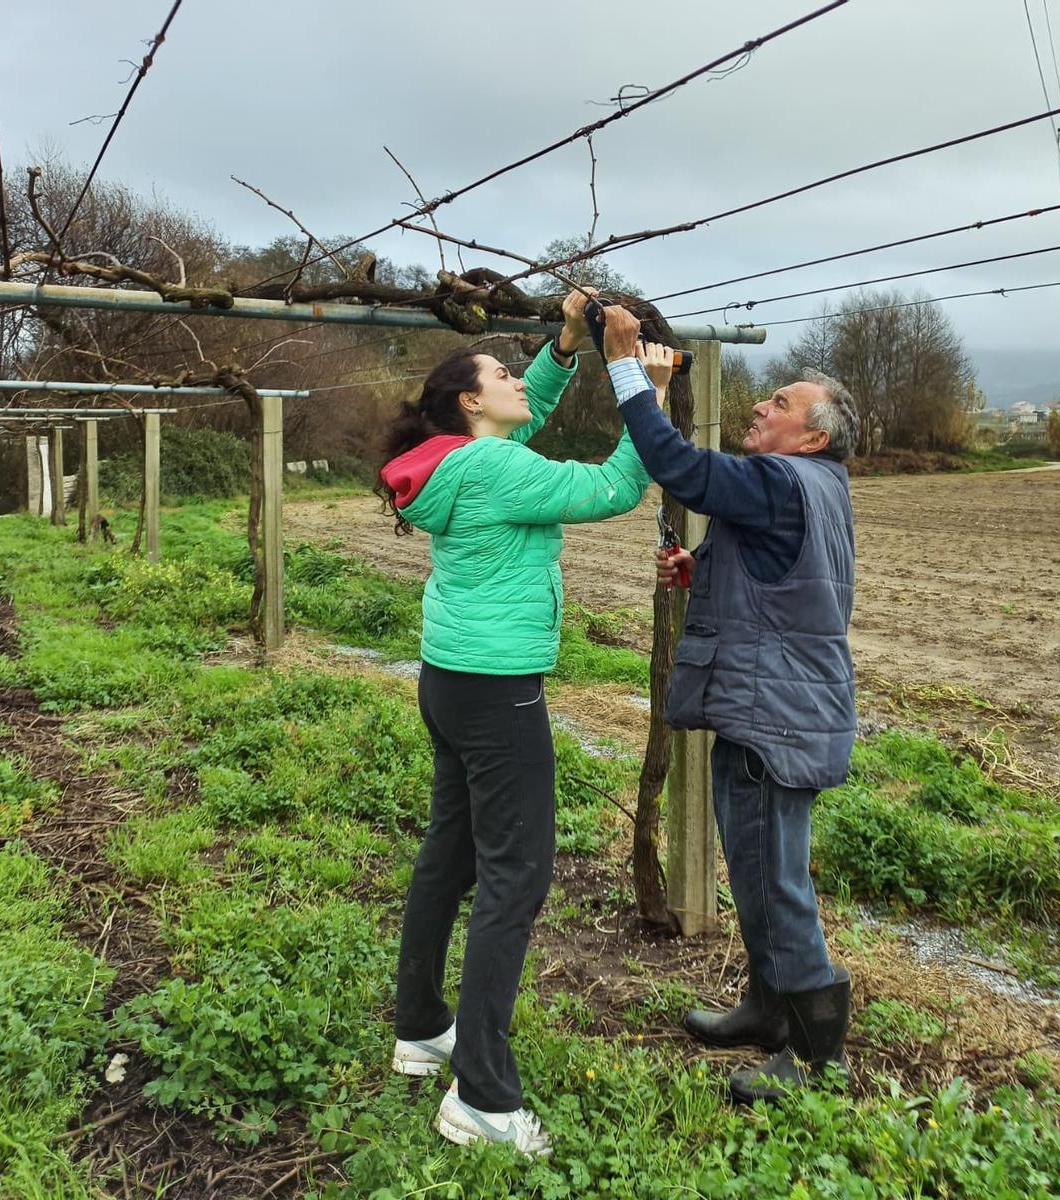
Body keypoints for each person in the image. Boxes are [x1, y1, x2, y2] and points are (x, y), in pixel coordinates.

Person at [376, 290, 651, 1156]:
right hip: (499, 693)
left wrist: (564, 349)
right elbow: (613, 487)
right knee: (516, 879)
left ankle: (422, 1027)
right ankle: (483, 1096)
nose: (516, 382)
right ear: (469, 400)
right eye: (503, 374)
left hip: (450, 678)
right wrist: (640, 380)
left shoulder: (460, 463)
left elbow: (521, 426)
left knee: (451, 853)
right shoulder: (493, 467)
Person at [599, 306, 861, 1106]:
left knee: (773, 880)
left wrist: (624, 370)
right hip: (784, 707)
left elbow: (685, 469)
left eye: (778, 403)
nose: (760, 406)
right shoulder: (815, 486)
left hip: (773, 717)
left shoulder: (783, 480)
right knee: (758, 873)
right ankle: (766, 1012)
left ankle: (816, 1061)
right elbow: (780, 580)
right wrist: (697, 570)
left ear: (813, 435)